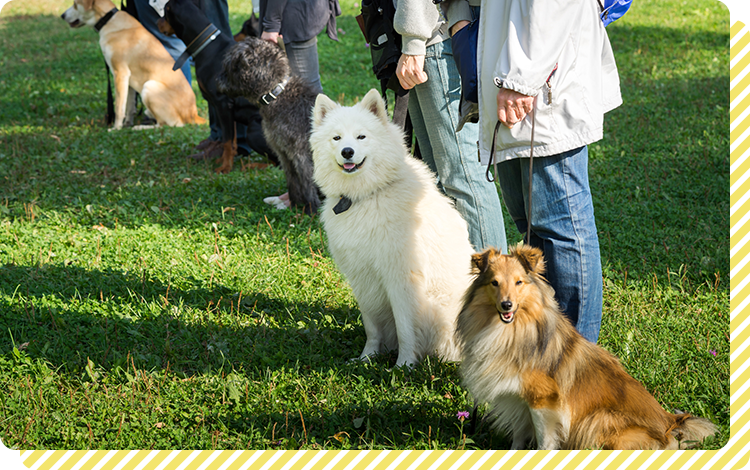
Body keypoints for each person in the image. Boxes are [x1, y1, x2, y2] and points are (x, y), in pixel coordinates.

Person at [450, 0, 623, 343]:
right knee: (531, 229)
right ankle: (544, 345)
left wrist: (521, 77)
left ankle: (577, 356)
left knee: (561, 228)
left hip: (538, 81)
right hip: (508, 78)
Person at [392, 0, 507, 253]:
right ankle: (462, 279)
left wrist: (413, 41)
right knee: (437, 178)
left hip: (433, 39)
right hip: (430, 37)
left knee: (462, 176)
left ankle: (495, 284)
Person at [257, 0, 341, 209]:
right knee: (309, 108)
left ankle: (316, 191)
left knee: (308, 112)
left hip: (293, 16)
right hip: (294, 15)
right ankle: (299, 191)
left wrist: (271, 24)